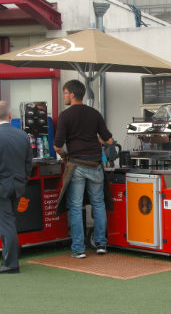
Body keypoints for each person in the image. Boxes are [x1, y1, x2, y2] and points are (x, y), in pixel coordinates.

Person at [54, 79, 114, 259]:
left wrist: (65, 156)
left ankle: (79, 249)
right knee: (98, 204)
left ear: (72, 95)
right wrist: (98, 141)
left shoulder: (65, 116)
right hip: (95, 165)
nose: (64, 96)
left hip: (77, 165)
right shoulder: (95, 113)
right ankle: (101, 244)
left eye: (65, 93)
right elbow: (110, 141)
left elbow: (57, 146)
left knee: (75, 206)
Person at [0, 101, 32, 274]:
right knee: (11, 223)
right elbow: (28, 163)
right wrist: (22, 181)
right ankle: (10, 260)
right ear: (11, 115)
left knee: (6, 225)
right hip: (17, 186)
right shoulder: (23, 136)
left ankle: (10, 263)